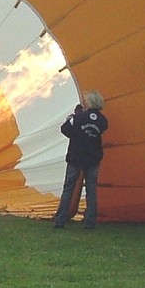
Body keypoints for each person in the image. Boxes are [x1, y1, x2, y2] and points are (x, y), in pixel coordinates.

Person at [53, 91, 108, 230]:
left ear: (88, 102)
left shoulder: (78, 117)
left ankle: (60, 220)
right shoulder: (103, 120)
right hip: (93, 158)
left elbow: (65, 129)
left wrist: (76, 116)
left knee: (68, 189)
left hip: (76, 157)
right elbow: (99, 129)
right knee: (91, 190)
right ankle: (90, 222)